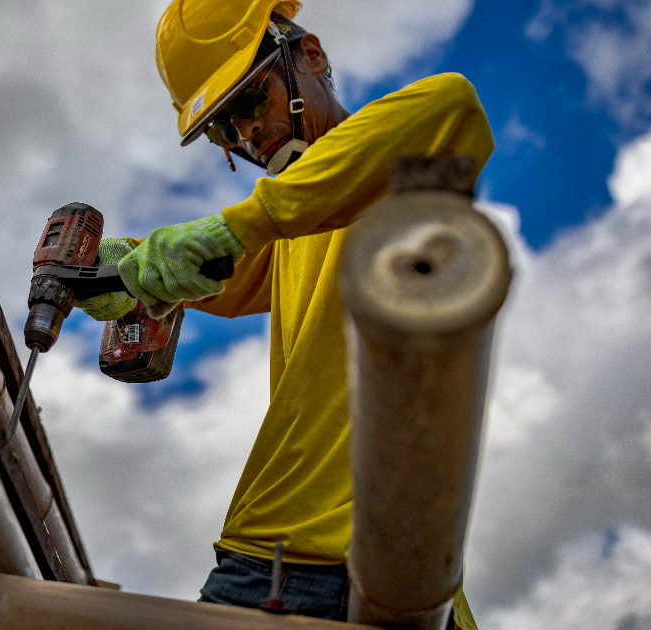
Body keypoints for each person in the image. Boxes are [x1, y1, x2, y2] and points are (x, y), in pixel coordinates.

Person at [75, 1, 491, 627]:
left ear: (311, 56)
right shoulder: (295, 226)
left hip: (297, 564)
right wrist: (126, 265)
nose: (245, 135)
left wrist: (234, 227)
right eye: (223, 130)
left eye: (248, 103)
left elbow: (453, 104)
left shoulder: (407, 168)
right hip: (347, 568)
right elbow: (227, 272)